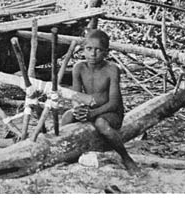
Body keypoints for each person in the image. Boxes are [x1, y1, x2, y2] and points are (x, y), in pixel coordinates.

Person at [59, 29, 141, 175]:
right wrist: (78, 109)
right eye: (89, 49)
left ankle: (126, 157)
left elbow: (114, 103)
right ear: (83, 50)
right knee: (67, 116)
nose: (93, 54)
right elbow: (76, 96)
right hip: (90, 109)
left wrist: (93, 113)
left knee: (100, 123)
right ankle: (64, 153)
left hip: (110, 113)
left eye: (98, 50)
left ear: (106, 53)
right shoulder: (79, 67)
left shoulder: (112, 70)